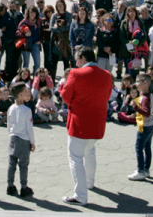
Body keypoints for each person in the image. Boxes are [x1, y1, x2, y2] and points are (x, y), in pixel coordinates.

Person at [59, 47, 114, 206]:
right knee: (90, 151)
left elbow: (66, 96)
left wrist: (63, 87)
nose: (76, 62)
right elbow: (107, 96)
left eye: (77, 59)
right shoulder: (106, 74)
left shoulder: (75, 73)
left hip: (79, 123)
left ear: (83, 58)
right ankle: (89, 183)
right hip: (97, 123)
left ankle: (80, 195)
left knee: (75, 159)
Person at [6, 82, 36, 197]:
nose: (28, 93)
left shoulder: (11, 108)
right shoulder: (27, 110)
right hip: (24, 140)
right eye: (25, 92)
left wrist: (11, 134)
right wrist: (32, 142)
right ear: (20, 95)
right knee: (23, 165)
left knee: (11, 163)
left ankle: (10, 185)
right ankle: (24, 187)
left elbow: (9, 126)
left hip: (13, 138)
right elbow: (29, 128)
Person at [127, 72, 153, 181]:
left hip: (145, 126)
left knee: (139, 148)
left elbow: (147, 112)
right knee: (147, 147)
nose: (136, 84)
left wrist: (135, 107)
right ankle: (146, 169)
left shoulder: (145, 98)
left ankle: (140, 171)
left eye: (138, 82)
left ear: (145, 83)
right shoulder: (149, 95)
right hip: (150, 124)